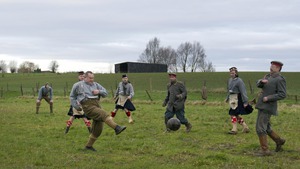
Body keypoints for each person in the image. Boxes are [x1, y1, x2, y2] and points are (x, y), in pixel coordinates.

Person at [70, 71, 126, 151]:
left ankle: (88, 146)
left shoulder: (96, 85)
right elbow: (72, 97)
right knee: (103, 114)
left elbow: (106, 93)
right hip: (87, 106)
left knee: (98, 128)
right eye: (90, 78)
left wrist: (99, 92)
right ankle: (117, 128)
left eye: (93, 78)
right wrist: (76, 107)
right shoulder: (77, 85)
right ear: (85, 77)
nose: (92, 80)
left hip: (97, 104)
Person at [255, 61, 286, 156]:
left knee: (260, 128)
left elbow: (282, 94)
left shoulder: (280, 79)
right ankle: (279, 141)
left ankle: (265, 151)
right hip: (261, 105)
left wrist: (268, 98)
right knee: (266, 127)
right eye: (271, 65)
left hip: (268, 106)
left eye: (273, 66)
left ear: (278, 68)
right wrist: (261, 81)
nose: (271, 67)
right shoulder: (268, 76)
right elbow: (258, 84)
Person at [226, 67, 250, 134]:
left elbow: (243, 91)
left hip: (237, 98)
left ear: (236, 73)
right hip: (231, 98)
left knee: (232, 114)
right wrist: (227, 98)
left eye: (233, 73)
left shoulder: (239, 81)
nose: (231, 74)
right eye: (230, 73)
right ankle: (245, 127)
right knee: (235, 114)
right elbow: (229, 90)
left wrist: (245, 101)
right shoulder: (230, 80)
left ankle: (234, 129)